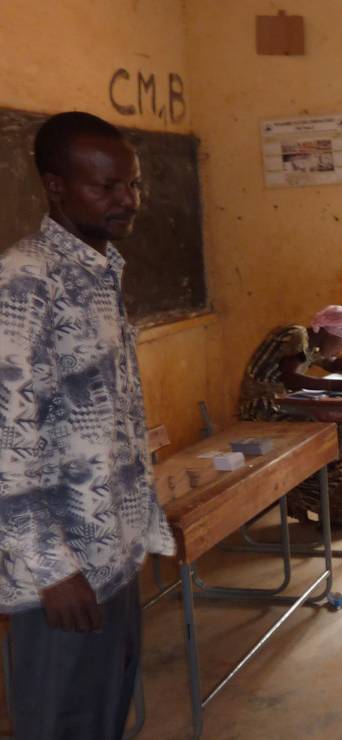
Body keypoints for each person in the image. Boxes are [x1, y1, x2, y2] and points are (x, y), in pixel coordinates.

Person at [0, 111, 175, 739]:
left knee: (103, 719)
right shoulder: (26, 281)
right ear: (55, 186)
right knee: (61, 723)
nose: (126, 200)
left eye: (130, 184)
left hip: (113, 555)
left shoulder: (100, 271)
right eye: (105, 187)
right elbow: (6, 443)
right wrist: (52, 569)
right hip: (64, 573)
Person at [237, 305, 342, 527]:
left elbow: (335, 363)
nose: (339, 351)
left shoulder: (313, 345)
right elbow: (292, 379)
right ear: (328, 333)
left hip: (286, 406)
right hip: (264, 409)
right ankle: (321, 506)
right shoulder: (297, 336)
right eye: (340, 345)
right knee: (340, 446)